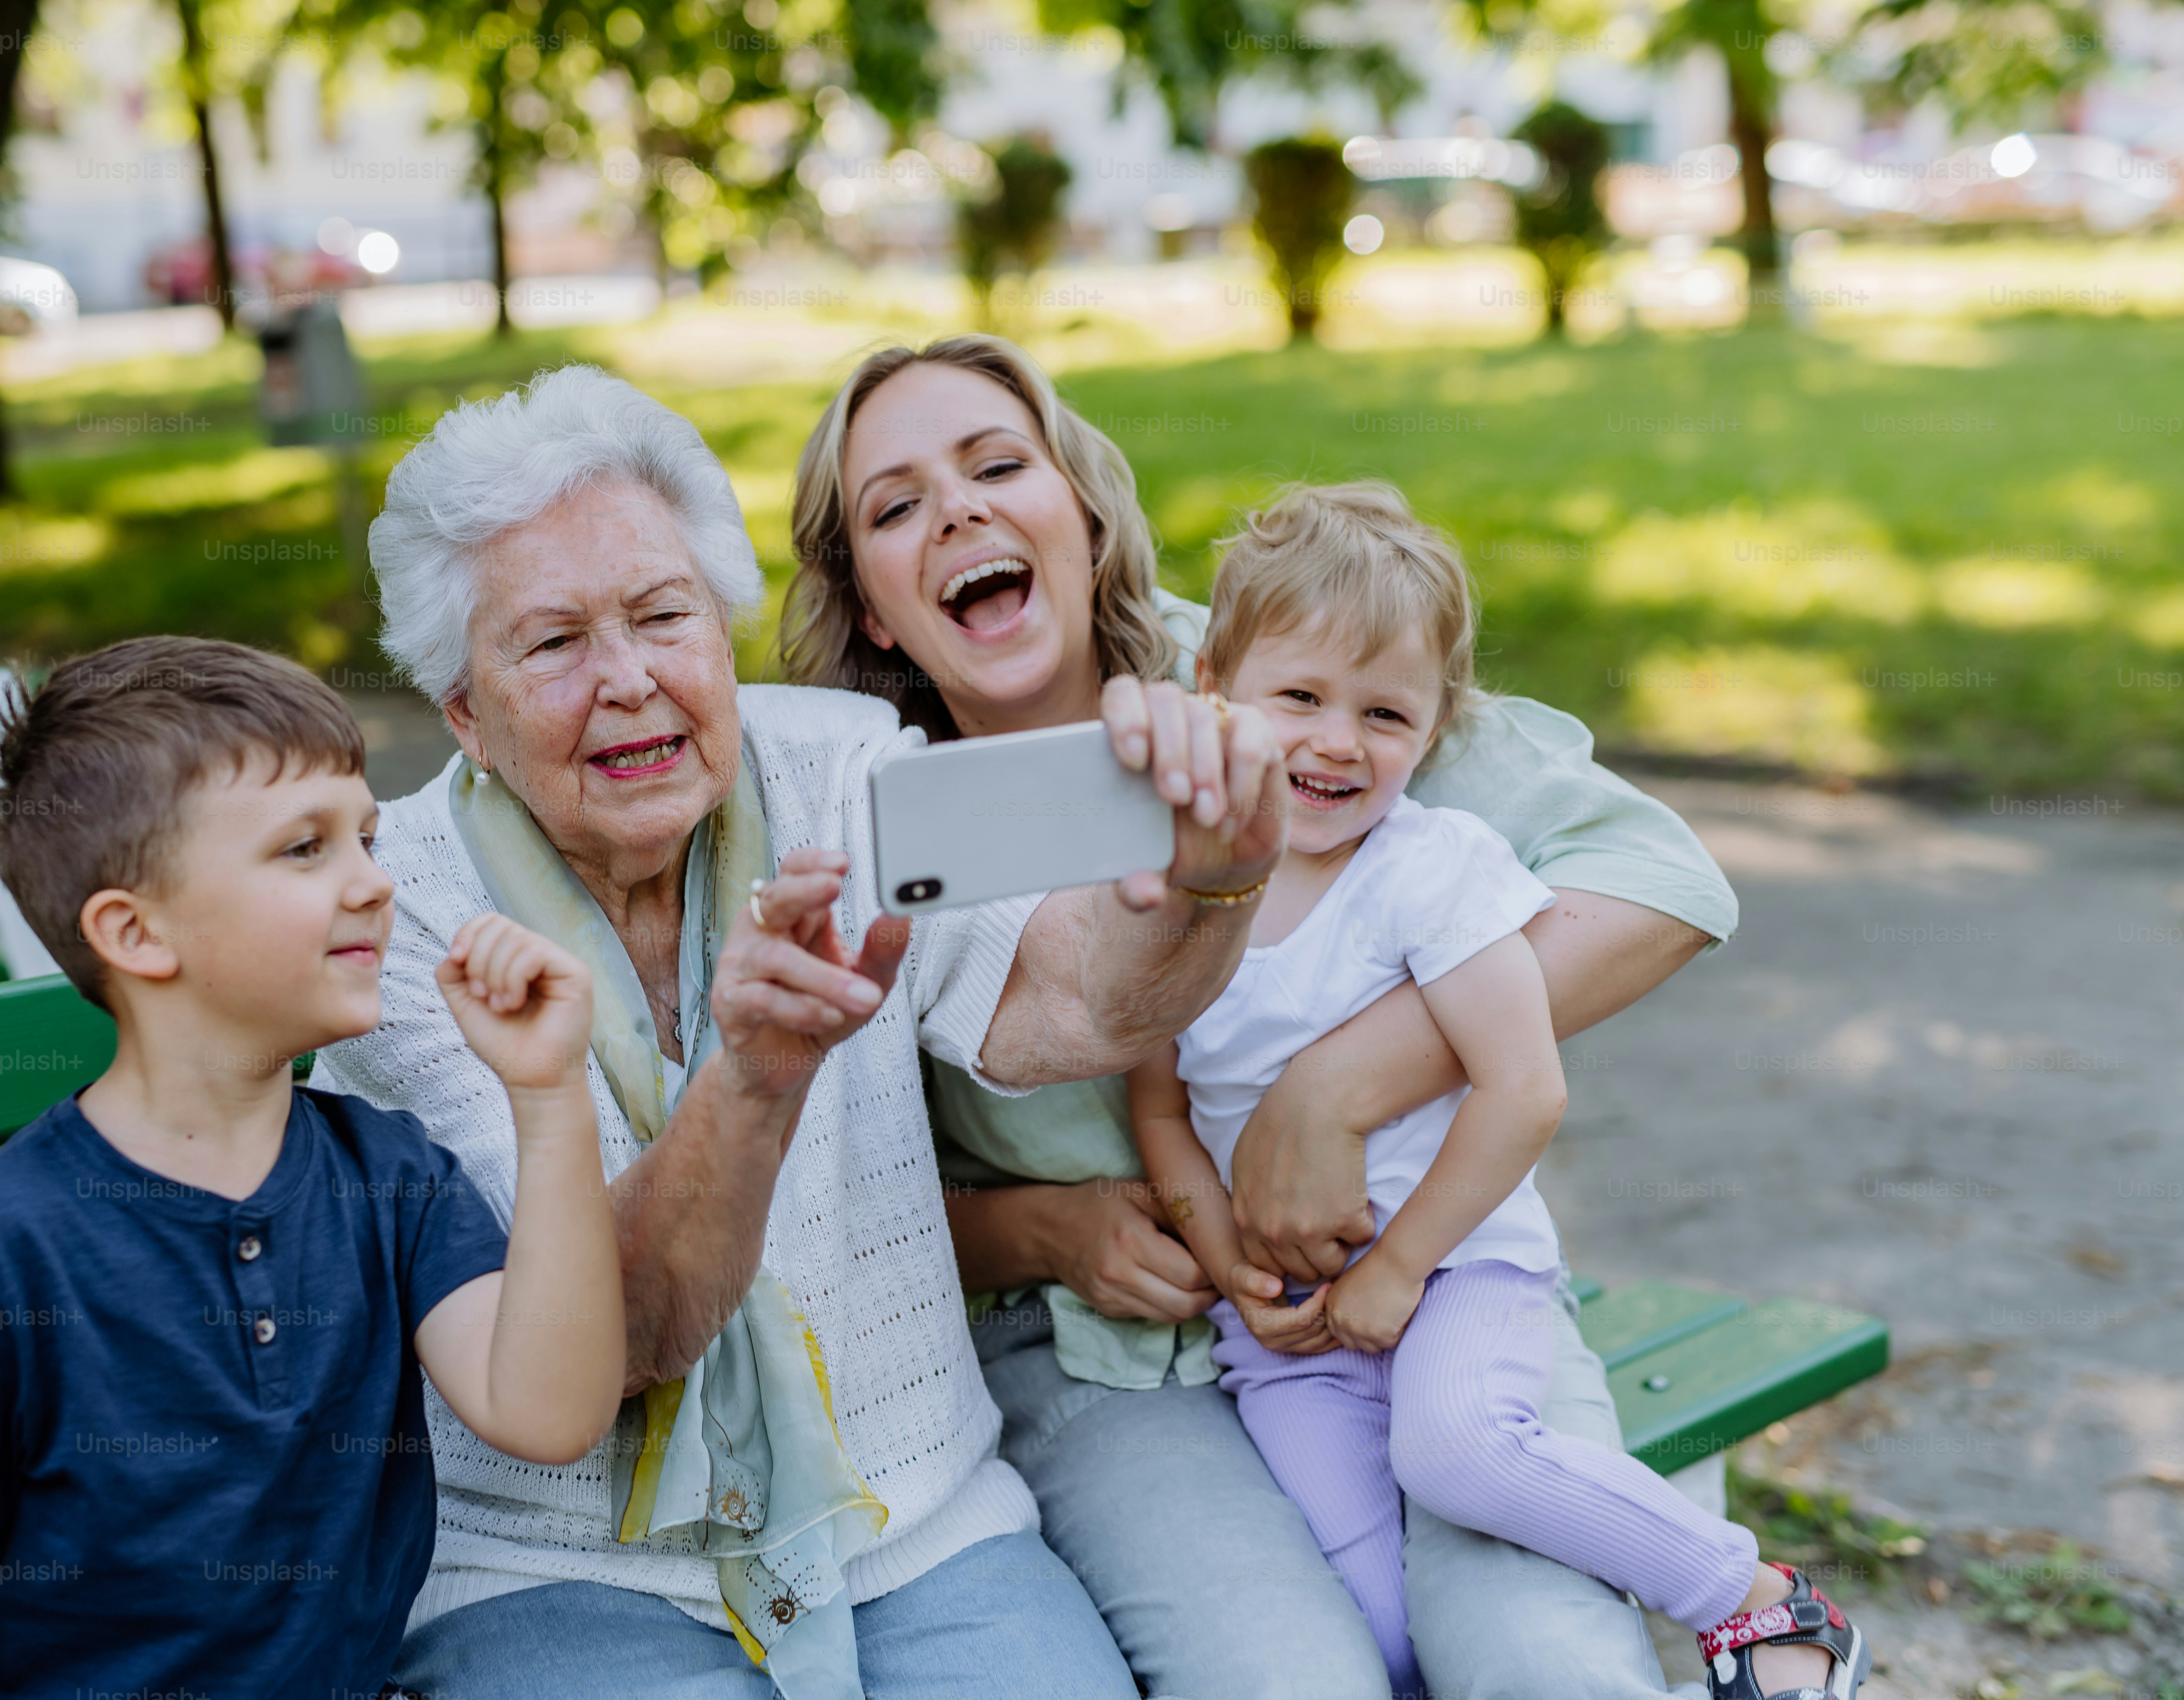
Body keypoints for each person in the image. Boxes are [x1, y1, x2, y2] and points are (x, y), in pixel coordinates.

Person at [309, 363, 1293, 1700]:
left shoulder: (843, 769)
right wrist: (756, 1081)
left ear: (722, 628)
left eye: (665, 616)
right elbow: (614, 1342)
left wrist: (1212, 875)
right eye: (552, 644)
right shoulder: (404, 920)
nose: (630, 681)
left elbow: (1071, 1004)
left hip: (921, 1527)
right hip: (564, 1577)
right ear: (465, 713)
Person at [782, 333, 1744, 1700]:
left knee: (1542, 1669)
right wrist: (1042, 1229)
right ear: (873, 606)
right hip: (1108, 1355)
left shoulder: (1274, 676)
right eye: (897, 506)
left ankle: (1754, 1606)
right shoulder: (859, 809)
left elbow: (1657, 882)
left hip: (1409, 1277)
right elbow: (815, 1198)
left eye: (1001, 466)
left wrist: (1340, 1087)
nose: (961, 512)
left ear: (1084, 511)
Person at [1130, 482, 1870, 1700]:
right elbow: (1158, 1108)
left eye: (1384, 713)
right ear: (1213, 682)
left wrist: (1400, 1268)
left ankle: (1760, 1607)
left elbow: (1523, 1092)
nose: (1336, 741)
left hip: (1458, 1273)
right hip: (1284, 1334)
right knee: (1356, 1624)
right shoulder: (1175, 883)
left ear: (1436, 726)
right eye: (1300, 697)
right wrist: (1233, 1272)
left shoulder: (1434, 871)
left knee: (1460, 1451)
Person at [0, 637, 628, 1700]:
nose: (376, 883)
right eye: (306, 848)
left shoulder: (390, 1177)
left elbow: (553, 1413)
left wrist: (549, 1093)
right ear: (138, 932)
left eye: (368, 838)